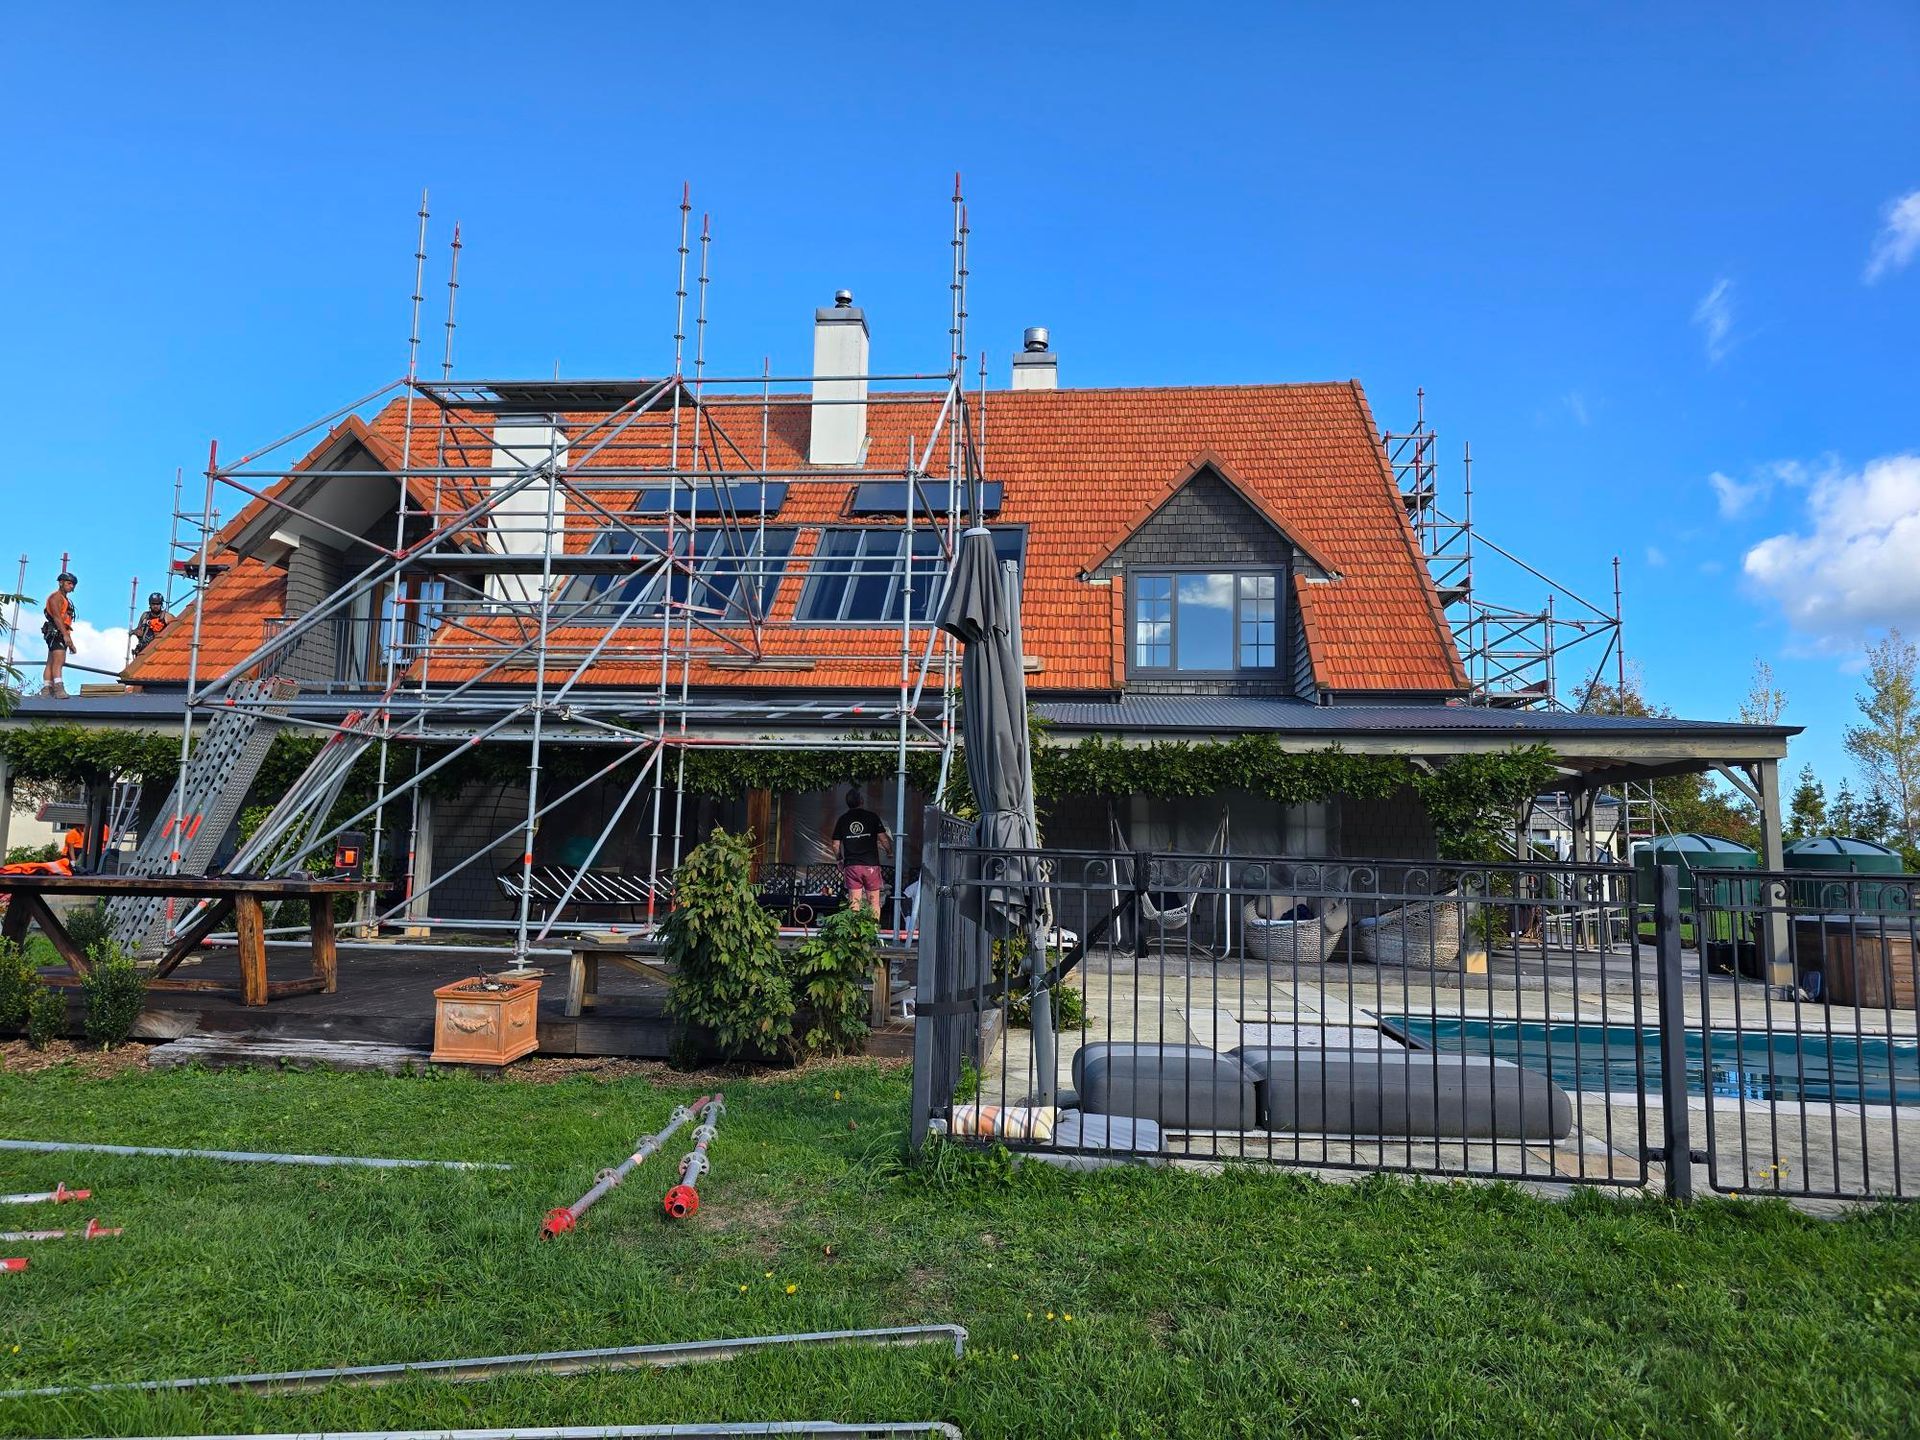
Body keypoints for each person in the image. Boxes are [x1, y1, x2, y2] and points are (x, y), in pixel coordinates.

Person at [829, 789, 890, 917]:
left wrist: (839, 859)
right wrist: (889, 852)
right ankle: (873, 932)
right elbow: (883, 838)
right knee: (873, 902)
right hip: (871, 865)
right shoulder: (872, 817)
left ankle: (854, 934)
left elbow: (835, 844)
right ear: (862, 801)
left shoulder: (842, 819)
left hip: (852, 866)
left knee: (854, 902)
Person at [41, 571, 77, 697]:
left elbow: (65, 621)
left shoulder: (64, 599)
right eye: (69, 583)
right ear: (61, 583)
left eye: (73, 584)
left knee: (51, 660)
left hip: (59, 631)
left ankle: (47, 688)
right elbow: (57, 618)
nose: (71, 586)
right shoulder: (55, 597)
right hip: (56, 631)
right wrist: (65, 636)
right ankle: (58, 688)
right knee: (59, 660)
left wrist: (69, 639)